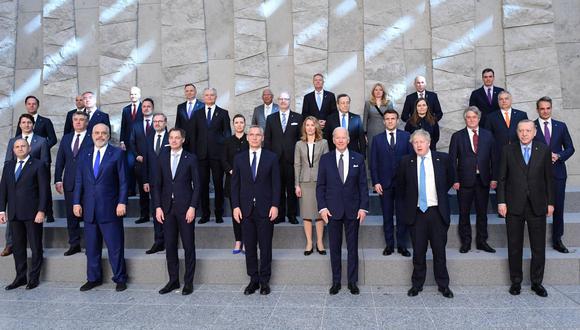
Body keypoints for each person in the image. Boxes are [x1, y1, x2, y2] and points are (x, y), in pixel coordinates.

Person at [497, 120, 554, 297]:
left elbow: (548, 179)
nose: (524, 134)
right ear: (517, 132)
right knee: (514, 245)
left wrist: (550, 203)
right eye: (521, 130)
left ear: (535, 132)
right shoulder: (508, 150)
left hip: (537, 205)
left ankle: (537, 282)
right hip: (514, 205)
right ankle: (516, 282)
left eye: (528, 130)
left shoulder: (543, 150)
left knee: (538, 247)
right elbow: (502, 179)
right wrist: (501, 202)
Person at [398, 129, 454, 298]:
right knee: (418, 252)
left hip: (437, 212)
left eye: (422, 141)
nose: (419, 145)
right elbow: (401, 187)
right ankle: (417, 284)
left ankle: (443, 285)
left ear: (429, 143)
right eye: (415, 142)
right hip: (416, 214)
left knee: (439, 252)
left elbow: (450, 179)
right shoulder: (405, 162)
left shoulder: (442, 159)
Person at [73, 123, 128, 292]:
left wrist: (122, 202)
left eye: (104, 133)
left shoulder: (117, 154)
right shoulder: (84, 154)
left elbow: (124, 181)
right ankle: (93, 278)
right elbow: (79, 181)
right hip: (89, 208)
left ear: (109, 135)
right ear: (91, 135)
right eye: (97, 133)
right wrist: (76, 202)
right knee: (91, 248)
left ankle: (120, 278)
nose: (100, 136)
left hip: (111, 208)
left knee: (115, 246)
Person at [317, 127, 368, 295]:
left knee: (352, 248)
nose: (340, 140)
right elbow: (321, 186)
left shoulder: (358, 158)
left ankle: (352, 282)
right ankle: (336, 281)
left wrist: (363, 208)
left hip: (353, 210)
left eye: (343, 137)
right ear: (333, 140)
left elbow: (362, 185)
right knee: (335, 247)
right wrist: (322, 208)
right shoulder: (325, 159)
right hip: (332, 211)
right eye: (337, 137)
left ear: (348, 139)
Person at [231, 125, 280, 296]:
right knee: (250, 246)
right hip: (245, 210)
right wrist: (236, 206)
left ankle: (265, 281)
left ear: (262, 137)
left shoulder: (272, 158)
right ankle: (253, 280)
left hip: (266, 209)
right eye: (251, 135)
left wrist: (275, 205)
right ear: (247, 137)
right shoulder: (239, 158)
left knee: (265, 246)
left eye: (257, 135)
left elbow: (276, 185)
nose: (254, 137)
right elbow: (235, 185)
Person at [152, 128, 200, 295]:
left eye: (177, 138)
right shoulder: (162, 157)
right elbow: (157, 185)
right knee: (170, 246)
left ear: (183, 140)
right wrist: (158, 207)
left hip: (186, 209)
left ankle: (188, 282)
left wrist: (193, 207)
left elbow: (198, 186)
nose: (173, 140)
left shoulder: (191, 158)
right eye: (171, 137)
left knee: (188, 246)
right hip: (166, 209)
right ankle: (173, 280)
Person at [0, 138, 48, 290]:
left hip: (33, 213)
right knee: (18, 248)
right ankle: (20, 277)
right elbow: (3, 191)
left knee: (35, 246)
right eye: (17, 147)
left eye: (23, 146)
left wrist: (41, 211)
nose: (20, 149)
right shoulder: (8, 167)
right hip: (14, 213)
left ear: (29, 148)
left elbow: (44, 191)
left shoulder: (39, 165)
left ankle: (33, 278)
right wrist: (2, 210)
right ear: (13, 150)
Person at [449, 107, 498, 254]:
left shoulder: (488, 135)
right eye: (468, 117)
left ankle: (482, 241)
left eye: (474, 117)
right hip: (464, 181)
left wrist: (494, 178)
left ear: (479, 118)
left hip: (483, 180)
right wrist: (454, 180)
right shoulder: (457, 136)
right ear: (465, 119)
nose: (471, 120)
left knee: (482, 213)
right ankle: (466, 242)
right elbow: (452, 161)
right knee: (464, 213)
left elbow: (494, 158)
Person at [2, 114, 50, 258]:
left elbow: (45, 163)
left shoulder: (41, 141)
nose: (26, 124)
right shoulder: (13, 142)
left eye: (29, 122)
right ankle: (9, 244)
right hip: (15, 195)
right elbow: (8, 163)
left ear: (33, 124)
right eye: (23, 122)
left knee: (35, 243)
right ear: (19, 124)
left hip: (33, 186)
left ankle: (33, 275)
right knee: (17, 238)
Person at [533, 96, 575, 253]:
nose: (545, 111)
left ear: (551, 108)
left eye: (548, 108)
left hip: (557, 173)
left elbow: (570, 148)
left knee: (558, 207)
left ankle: (557, 239)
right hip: (536, 175)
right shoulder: (531, 126)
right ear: (537, 109)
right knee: (537, 208)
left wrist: (558, 155)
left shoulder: (561, 126)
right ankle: (537, 241)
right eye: (542, 108)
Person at [370, 109, 413, 257]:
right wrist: (376, 182)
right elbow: (373, 163)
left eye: (392, 118)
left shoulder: (406, 137)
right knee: (387, 215)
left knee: (402, 216)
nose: (390, 121)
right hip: (384, 184)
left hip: (402, 185)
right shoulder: (377, 139)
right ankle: (389, 245)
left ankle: (402, 245)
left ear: (397, 120)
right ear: (383, 121)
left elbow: (411, 161)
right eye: (387, 119)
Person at [55, 111, 93, 256]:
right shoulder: (66, 138)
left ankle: (91, 245)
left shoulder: (92, 137)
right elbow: (60, 161)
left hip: (88, 183)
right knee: (71, 216)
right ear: (72, 122)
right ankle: (74, 244)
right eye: (75, 119)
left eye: (81, 119)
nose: (78, 122)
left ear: (87, 122)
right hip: (70, 182)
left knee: (89, 215)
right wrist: (58, 179)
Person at [15, 96, 56, 222]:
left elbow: (53, 139)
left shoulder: (46, 121)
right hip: (25, 160)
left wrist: (39, 148)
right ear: (26, 105)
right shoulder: (22, 121)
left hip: (42, 159)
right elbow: (18, 138)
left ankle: (49, 212)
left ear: (37, 105)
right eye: (29, 104)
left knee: (44, 186)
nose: (31, 106)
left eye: (34, 104)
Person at [193, 87, 231, 224]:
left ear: (215, 97)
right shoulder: (197, 114)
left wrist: (225, 154)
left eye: (212, 95)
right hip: (201, 155)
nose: (209, 97)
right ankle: (205, 214)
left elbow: (227, 135)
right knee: (202, 185)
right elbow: (193, 135)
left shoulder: (223, 113)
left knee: (218, 184)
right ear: (204, 97)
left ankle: (219, 213)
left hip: (217, 155)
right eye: (207, 95)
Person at [264, 91, 303, 224]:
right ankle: (279, 215)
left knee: (292, 188)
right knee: (278, 188)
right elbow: (267, 140)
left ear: (289, 101)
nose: (283, 101)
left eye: (285, 99)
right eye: (280, 99)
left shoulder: (298, 118)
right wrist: (268, 159)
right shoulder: (271, 118)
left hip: (292, 160)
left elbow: (300, 140)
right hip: (275, 160)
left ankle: (291, 215)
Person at [294, 116, 329, 255]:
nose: (309, 127)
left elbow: (327, 163)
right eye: (307, 125)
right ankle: (309, 242)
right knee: (307, 214)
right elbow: (297, 164)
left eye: (312, 125)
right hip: (304, 182)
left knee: (320, 212)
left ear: (316, 127)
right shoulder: (299, 144)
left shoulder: (324, 143)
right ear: (304, 127)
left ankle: (320, 242)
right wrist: (297, 185)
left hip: (320, 182)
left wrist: (327, 183)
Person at [142, 113, 170, 254]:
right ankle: (159, 241)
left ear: (165, 122)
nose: (157, 123)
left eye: (160, 121)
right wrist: (146, 180)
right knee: (156, 211)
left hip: (169, 182)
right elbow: (146, 161)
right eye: (155, 121)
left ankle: (170, 240)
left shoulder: (171, 137)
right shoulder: (148, 138)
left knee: (169, 211)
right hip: (153, 182)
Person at [222, 114, 249, 254]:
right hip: (232, 181)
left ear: (245, 124)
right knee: (236, 212)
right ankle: (238, 240)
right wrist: (231, 170)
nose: (239, 125)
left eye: (241, 122)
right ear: (233, 124)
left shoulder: (250, 140)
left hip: (248, 183)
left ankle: (247, 240)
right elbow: (223, 160)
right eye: (236, 122)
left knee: (247, 213)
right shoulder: (227, 141)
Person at [128, 98, 155, 224]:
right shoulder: (136, 125)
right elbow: (132, 142)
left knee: (156, 190)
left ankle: (157, 214)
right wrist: (136, 155)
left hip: (155, 164)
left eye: (148, 106)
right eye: (144, 106)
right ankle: (144, 215)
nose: (146, 108)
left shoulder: (157, 122)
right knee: (143, 191)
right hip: (140, 162)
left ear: (152, 108)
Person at [119, 86, 143, 197]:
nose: (133, 96)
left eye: (135, 94)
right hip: (129, 144)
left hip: (142, 144)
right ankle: (131, 190)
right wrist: (122, 141)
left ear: (139, 95)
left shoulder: (144, 107)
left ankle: (143, 190)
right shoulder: (126, 109)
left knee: (142, 167)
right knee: (129, 166)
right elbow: (123, 126)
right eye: (131, 94)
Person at [363, 82, 396, 157]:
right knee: (372, 152)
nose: (378, 92)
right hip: (371, 132)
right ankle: (371, 169)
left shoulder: (388, 103)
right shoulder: (368, 103)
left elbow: (392, 118)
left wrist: (392, 132)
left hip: (385, 130)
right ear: (373, 92)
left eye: (380, 90)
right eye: (376, 90)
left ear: (383, 92)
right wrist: (364, 134)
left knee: (385, 152)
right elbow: (365, 119)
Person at [175, 83, 204, 151]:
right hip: (184, 141)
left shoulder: (202, 106)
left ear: (195, 92)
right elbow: (178, 124)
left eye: (191, 90)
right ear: (185, 92)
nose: (189, 93)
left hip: (198, 141)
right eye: (187, 91)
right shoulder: (180, 107)